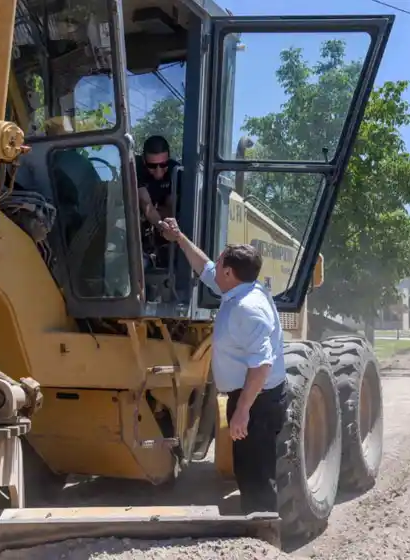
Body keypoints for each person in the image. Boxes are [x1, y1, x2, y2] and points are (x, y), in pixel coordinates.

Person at [161, 217, 287, 514]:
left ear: (229, 273)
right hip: (250, 398)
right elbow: (205, 268)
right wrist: (179, 237)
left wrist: (242, 411)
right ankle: (254, 525)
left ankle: (263, 534)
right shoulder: (241, 290)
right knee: (246, 469)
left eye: (220, 266)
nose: (214, 269)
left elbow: (262, 365)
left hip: (257, 402)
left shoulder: (247, 309)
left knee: (257, 475)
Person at [136, 136, 180, 253]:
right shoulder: (136, 168)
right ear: (144, 161)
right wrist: (160, 225)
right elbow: (146, 204)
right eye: (152, 166)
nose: (158, 171)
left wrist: (167, 227)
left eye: (163, 164)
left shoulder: (175, 171)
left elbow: (172, 207)